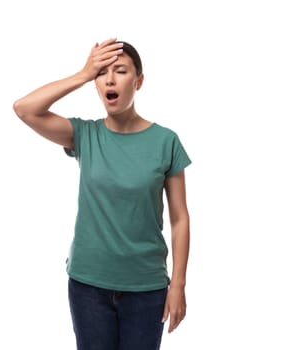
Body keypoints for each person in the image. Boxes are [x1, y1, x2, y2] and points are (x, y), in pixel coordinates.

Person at [13, 38, 191, 350]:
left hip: (146, 287)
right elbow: (25, 109)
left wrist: (178, 284)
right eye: (101, 73)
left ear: (139, 81)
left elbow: (180, 218)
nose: (109, 79)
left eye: (120, 71)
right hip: (88, 286)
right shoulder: (84, 135)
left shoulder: (166, 141)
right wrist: (83, 73)